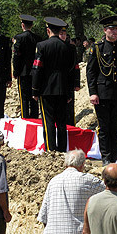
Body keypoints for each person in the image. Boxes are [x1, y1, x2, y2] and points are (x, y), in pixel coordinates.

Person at [87, 16, 117, 165]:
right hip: (102, 94)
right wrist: (93, 92)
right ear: (105, 30)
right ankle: (106, 156)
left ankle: (114, 155)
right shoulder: (97, 48)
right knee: (104, 127)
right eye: (111, 29)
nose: (114, 31)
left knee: (116, 126)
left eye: (116, 29)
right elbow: (91, 72)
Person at [32, 17, 73, 152]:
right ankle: (62, 149)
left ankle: (50, 149)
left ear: (48, 30)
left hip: (46, 88)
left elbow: (37, 69)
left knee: (48, 121)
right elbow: (70, 70)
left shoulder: (42, 46)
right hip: (63, 89)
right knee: (61, 122)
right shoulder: (68, 47)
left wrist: (35, 90)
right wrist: (69, 91)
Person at [12, 14, 42, 119]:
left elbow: (16, 56)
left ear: (22, 25)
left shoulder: (19, 38)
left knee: (24, 98)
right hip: (35, 71)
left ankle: (25, 118)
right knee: (34, 97)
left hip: (23, 71)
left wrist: (16, 71)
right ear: (32, 25)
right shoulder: (38, 38)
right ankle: (34, 118)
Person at [58, 28, 80, 127]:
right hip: (56, 84)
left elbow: (76, 66)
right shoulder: (52, 45)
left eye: (64, 34)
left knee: (69, 110)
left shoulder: (71, 48)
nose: (63, 36)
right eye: (60, 34)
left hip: (69, 82)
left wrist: (77, 83)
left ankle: (70, 128)